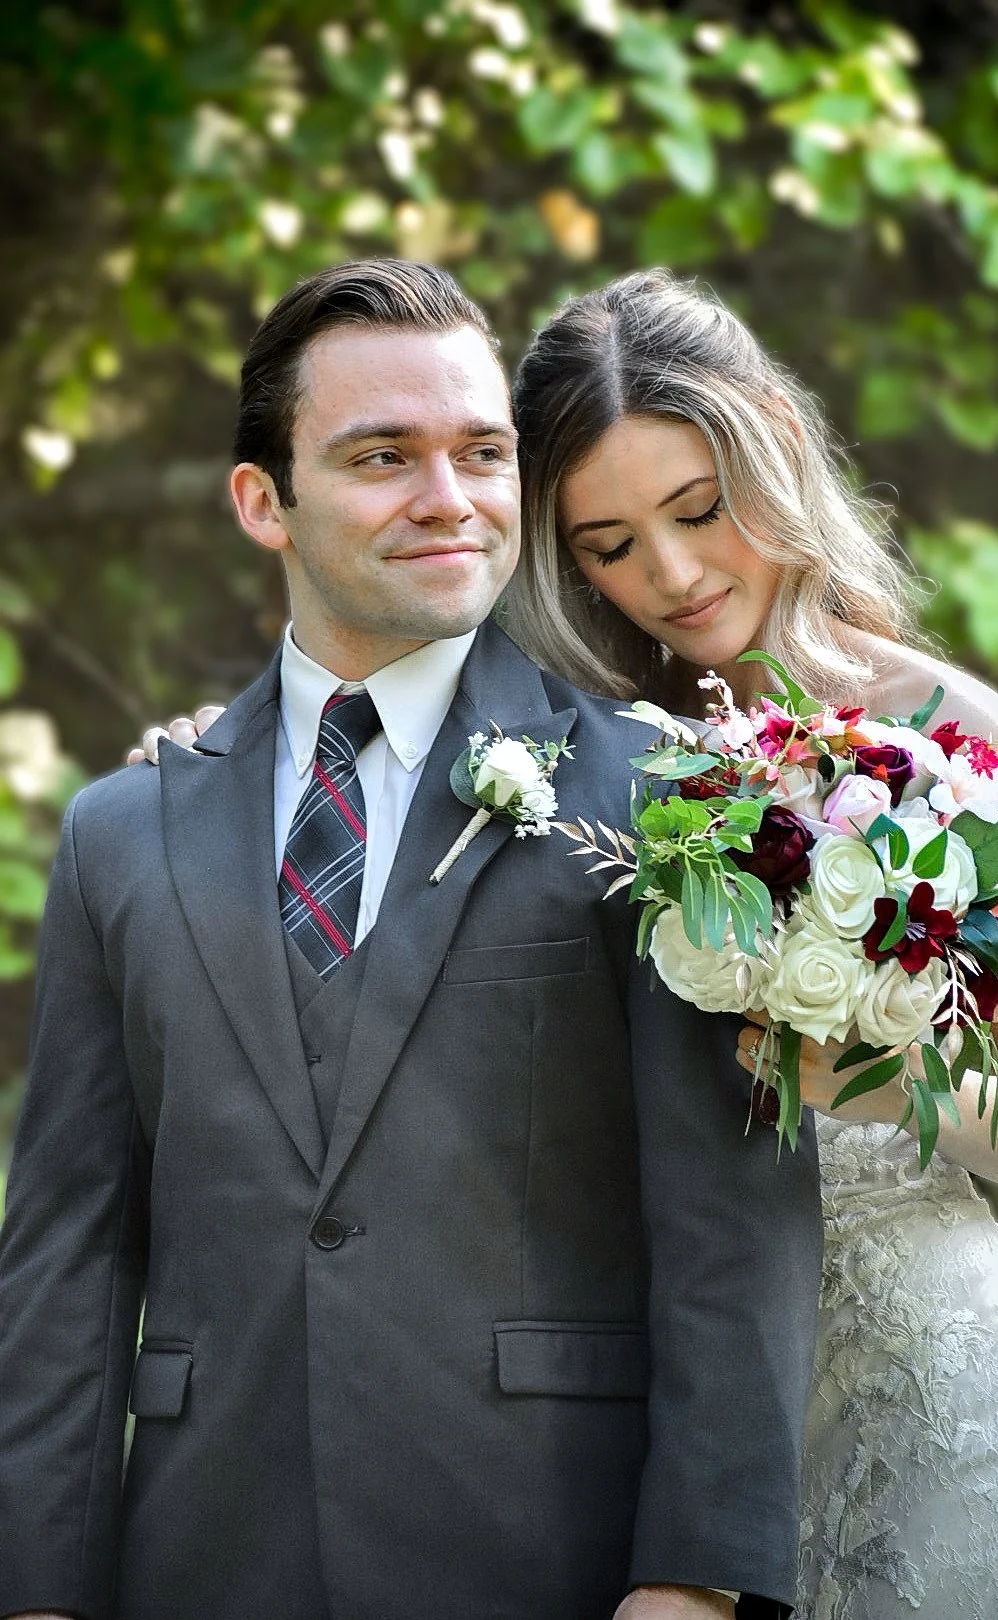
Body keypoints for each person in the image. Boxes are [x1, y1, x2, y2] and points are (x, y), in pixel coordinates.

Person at [0, 261, 824, 1620]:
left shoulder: (673, 803)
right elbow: (69, 1260)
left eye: (484, 453)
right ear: (264, 501)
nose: (449, 498)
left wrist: (694, 1587)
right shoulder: (119, 834)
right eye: (383, 457)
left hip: (545, 1552)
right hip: (203, 1563)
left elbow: (735, 1238)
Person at [500, 269, 998, 1619]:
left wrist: (856, 1068)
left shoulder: (947, 727)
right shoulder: (549, 751)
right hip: (660, 1422)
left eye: (701, 511)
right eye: (609, 544)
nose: (676, 575)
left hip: (938, 1393)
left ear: (777, 437)